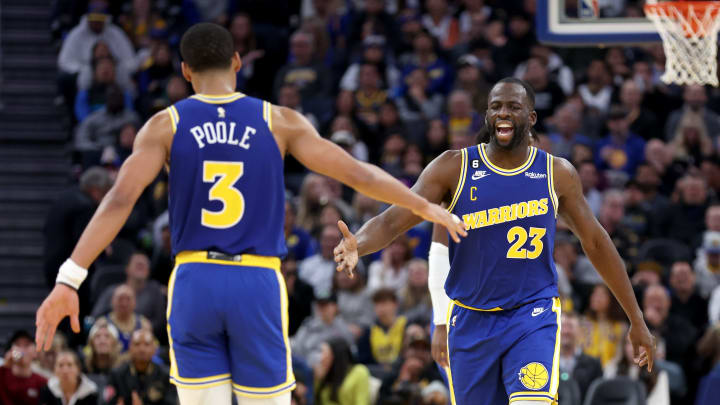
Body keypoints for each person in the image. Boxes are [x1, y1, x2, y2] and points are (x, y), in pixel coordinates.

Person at [35, 22, 465, 405]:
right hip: (256, 280)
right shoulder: (278, 120)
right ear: (237, 62)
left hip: (194, 279)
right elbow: (357, 173)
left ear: (185, 71)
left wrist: (69, 278)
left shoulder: (165, 125)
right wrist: (422, 204)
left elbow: (119, 199)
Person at [334, 78, 656, 405]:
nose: (503, 113)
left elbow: (597, 243)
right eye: (496, 106)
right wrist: (357, 243)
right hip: (471, 319)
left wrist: (636, 318)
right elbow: (393, 219)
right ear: (487, 115)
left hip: (532, 314)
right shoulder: (453, 168)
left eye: (513, 107)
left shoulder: (555, 173)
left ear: (530, 118)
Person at [0, 330, 48, 405]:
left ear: (35, 353)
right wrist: (5, 365)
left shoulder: (42, 382)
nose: (21, 349)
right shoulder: (2, 375)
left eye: (26, 345)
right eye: (18, 344)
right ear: (10, 350)